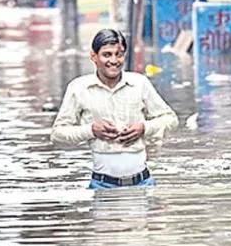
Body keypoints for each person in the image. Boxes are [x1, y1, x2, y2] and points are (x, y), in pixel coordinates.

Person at [51, 29, 179, 189]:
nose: (114, 60)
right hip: (102, 185)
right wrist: (91, 130)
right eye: (107, 55)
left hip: (143, 183)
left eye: (119, 54)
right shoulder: (79, 88)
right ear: (94, 56)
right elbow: (57, 134)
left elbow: (171, 119)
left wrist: (144, 128)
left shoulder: (139, 83)